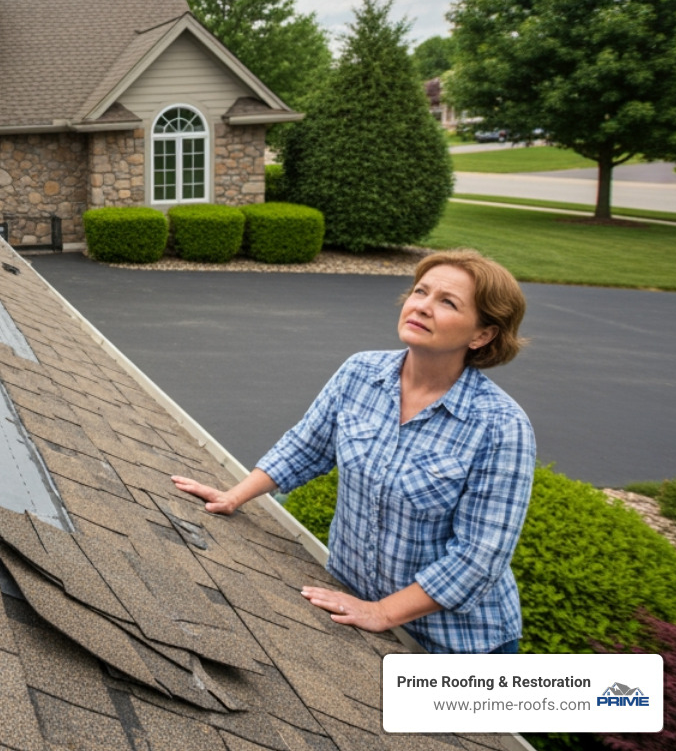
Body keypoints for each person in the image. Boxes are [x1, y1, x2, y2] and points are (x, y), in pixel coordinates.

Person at [172, 249, 535, 654]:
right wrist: (235, 495)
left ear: (481, 335)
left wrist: (382, 612)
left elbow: (478, 558)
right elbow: (306, 446)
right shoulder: (360, 373)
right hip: (355, 605)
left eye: (447, 302)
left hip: (458, 644)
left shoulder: (500, 426)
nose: (422, 307)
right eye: (420, 292)